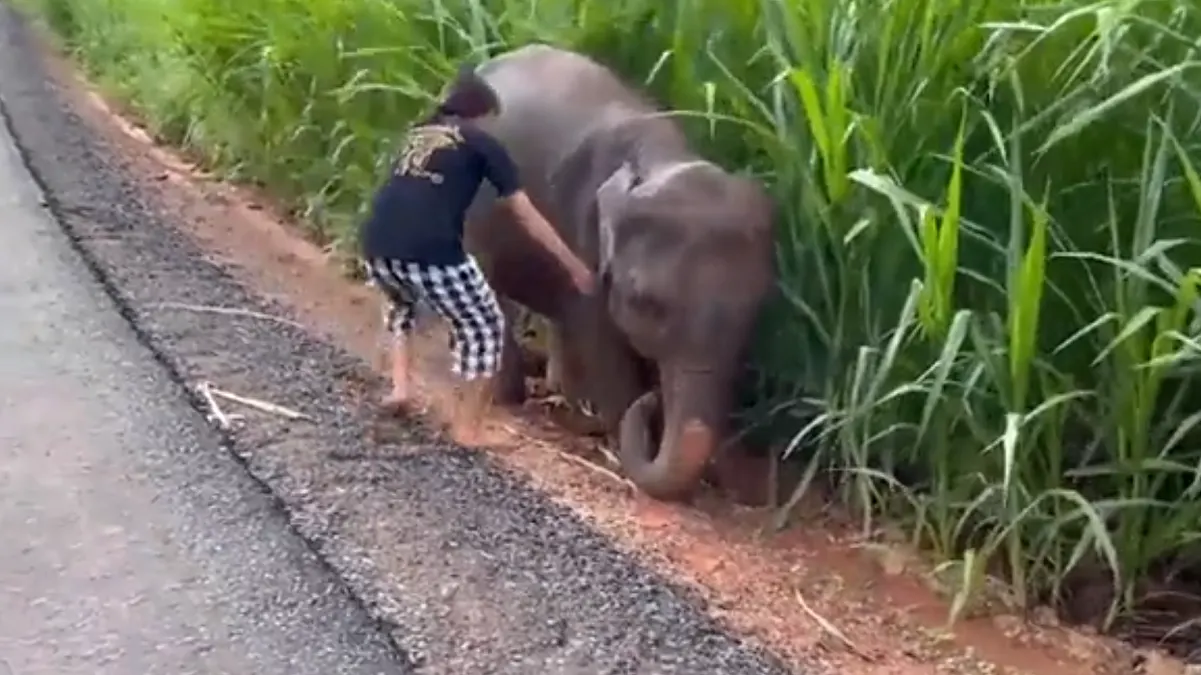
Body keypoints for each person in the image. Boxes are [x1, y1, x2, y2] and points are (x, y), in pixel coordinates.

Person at [359, 64, 594, 446]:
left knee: (400, 308)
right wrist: (573, 265)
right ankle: (468, 429)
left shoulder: (417, 134)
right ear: (481, 114)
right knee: (485, 329)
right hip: (431, 250)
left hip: (377, 243)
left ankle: (401, 389)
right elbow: (525, 214)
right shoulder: (482, 143)